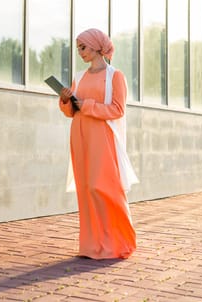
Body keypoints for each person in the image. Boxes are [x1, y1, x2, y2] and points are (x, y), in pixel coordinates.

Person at [59, 28, 138, 259]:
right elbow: (71, 111)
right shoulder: (80, 77)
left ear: (96, 46)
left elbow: (118, 109)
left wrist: (87, 105)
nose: (80, 52)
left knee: (102, 187)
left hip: (103, 137)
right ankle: (91, 246)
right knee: (86, 189)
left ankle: (119, 242)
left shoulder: (116, 76)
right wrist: (65, 100)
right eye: (78, 48)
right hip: (80, 136)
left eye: (83, 47)